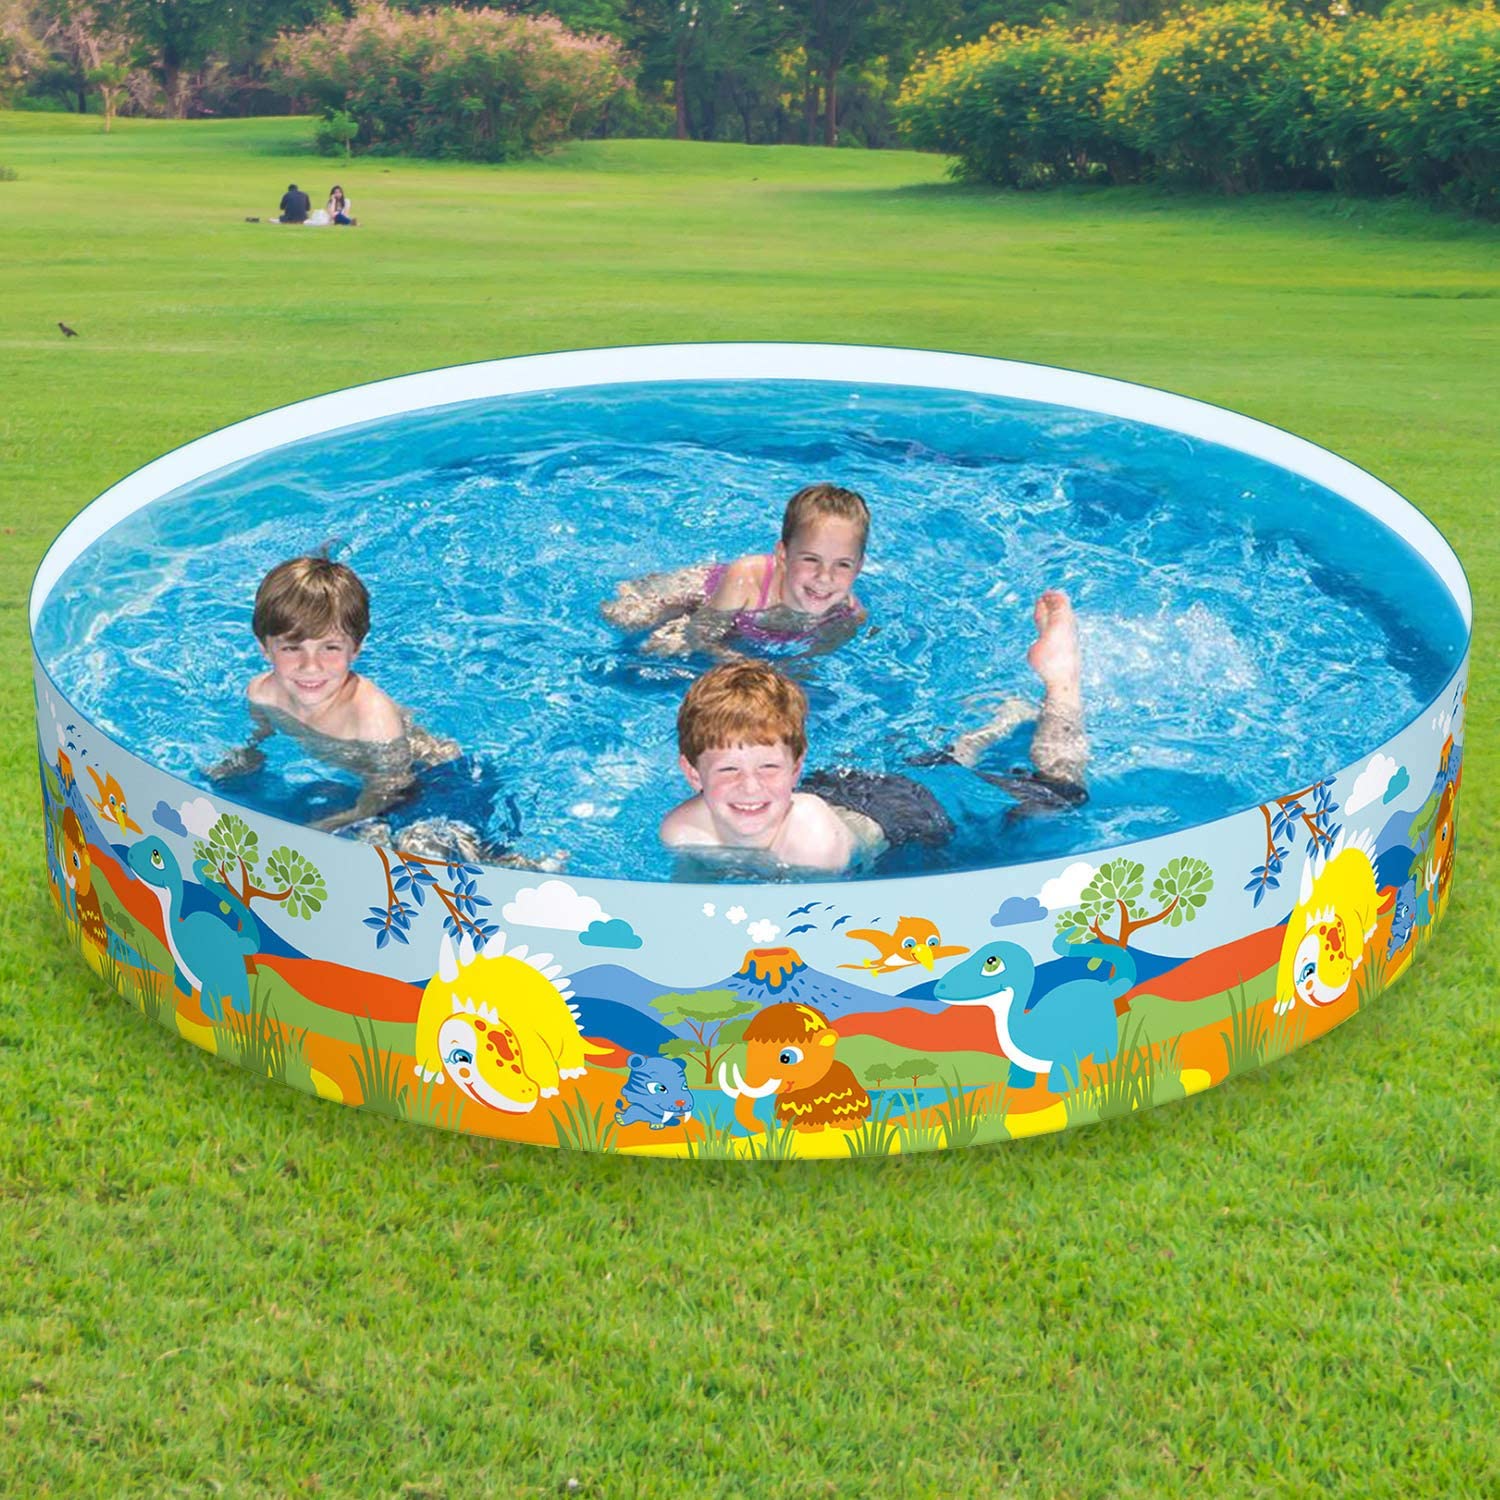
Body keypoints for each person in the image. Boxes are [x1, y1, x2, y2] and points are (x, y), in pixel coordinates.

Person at [660, 590, 1087, 876]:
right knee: (934, 764)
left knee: (1061, 795)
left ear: (795, 767)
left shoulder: (810, 847)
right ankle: (999, 719)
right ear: (693, 773)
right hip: (838, 788)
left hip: (908, 814)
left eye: (768, 768)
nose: (749, 787)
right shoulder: (683, 831)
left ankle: (1061, 683)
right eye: (728, 770)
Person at [211, 554, 456, 831]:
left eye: (330, 648)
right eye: (292, 648)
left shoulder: (371, 717)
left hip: (429, 778)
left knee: (416, 840)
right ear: (265, 648)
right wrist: (246, 757)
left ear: (355, 649)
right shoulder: (262, 693)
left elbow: (393, 787)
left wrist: (335, 823)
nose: (310, 666)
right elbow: (261, 732)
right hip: (370, 782)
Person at [603, 482, 869, 658]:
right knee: (631, 622)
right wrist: (742, 664)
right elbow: (700, 635)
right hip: (706, 590)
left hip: (738, 620)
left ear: (859, 567)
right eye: (811, 559)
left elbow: (807, 662)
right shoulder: (745, 577)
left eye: (842, 564)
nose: (825, 577)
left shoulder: (846, 617)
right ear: (783, 555)